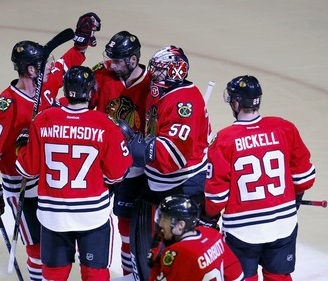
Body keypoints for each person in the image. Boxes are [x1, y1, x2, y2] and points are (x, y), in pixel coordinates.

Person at [0, 13, 101, 280]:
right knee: (37, 248)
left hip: (47, 182)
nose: (48, 65)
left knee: (54, 245)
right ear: (31, 69)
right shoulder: (6, 106)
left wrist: (80, 45)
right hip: (21, 185)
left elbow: (64, 65)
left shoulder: (43, 86)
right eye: (42, 63)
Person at [15, 66, 132, 281]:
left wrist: (22, 147)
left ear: (66, 90)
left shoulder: (43, 119)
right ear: (90, 92)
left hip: (53, 217)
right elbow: (118, 174)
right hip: (92, 216)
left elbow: (27, 170)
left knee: (53, 276)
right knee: (94, 275)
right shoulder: (105, 124)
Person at [204, 75, 316, 281]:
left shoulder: (224, 139)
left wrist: (207, 216)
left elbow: (216, 199)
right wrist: (294, 199)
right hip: (284, 224)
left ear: (236, 103)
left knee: (243, 278)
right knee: (279, 276)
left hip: (242, 231)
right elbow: (305, 179)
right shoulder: (284, 127)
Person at [118, 45, 212, 281]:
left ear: (176, 71)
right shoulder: (160, 92)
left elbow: (174, 157)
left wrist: (137, 148)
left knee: (182, 247)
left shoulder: (184, 102)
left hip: (184, 184)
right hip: (160, 183)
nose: (154, 75)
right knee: (157, 241)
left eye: (160, 71)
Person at [90, 30, 151, 276]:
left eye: (117, 60)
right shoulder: (101, 75)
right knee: (91, 219)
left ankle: (128, 274)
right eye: (111, 58)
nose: (111, 64)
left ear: (133, 60)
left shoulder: (151, 84)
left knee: (125, 224)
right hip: (99, 162)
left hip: (133, 168)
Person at [148, 194, 244, 281]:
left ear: (181, 225)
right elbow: (236, 274)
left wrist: (156, 265)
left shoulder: (178, 253)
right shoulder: (211, 234)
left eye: (165, 220)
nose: (160, 224)